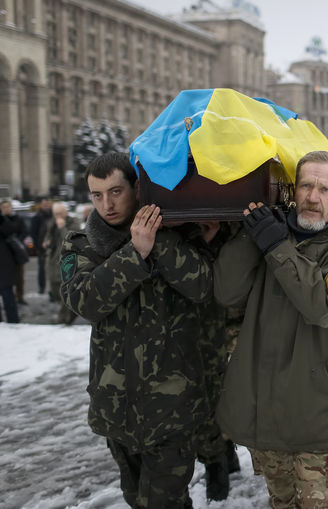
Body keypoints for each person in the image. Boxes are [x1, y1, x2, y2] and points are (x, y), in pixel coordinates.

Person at [60, 152, 221, 508]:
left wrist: (158, 239)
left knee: (164, 502)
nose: (107, 204)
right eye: (97, 195)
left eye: (116, 191)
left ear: (137, 187)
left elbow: (203, 287)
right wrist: (135, 252)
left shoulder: (177, 236)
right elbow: (85, 302)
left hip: (173, 406)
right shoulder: (81, 245)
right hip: (115, 406)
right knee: (135, 498)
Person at [213, 151, 328, 508]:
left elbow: (321, 305)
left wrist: (275, 245)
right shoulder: (272, 233)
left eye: (325, 190)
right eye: (306, 186)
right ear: (292, 190)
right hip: (266, 413)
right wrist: (250, 234)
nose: (313, 197)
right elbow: (226, 292)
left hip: (319, 419)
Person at [43, 202, 81, 324]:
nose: (57, 216)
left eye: (60, 213)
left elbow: (70, 239)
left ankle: (64, 318)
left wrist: (62, 227)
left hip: (67, 260)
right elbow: (48, 236)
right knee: (55, 290)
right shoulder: (51, 223)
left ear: (65, 212)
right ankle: (71, 312)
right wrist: (46, 242)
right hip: (53, 259)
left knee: (65, 289)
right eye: (55, 214)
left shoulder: (74, 222)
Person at [0, 200, 25, 323]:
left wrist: (3, 218)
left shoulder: (7, 220)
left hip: (5, 262)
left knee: (7, 293)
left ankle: (13, 321)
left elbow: (13, 231)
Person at [30, 197, 52, 295]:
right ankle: (41, 288)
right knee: (42, 269)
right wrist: (37, 247)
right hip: (41, 247)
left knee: (54, 267)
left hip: (53, 245)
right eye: (44, 204)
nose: (46, 206)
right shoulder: (36, 217)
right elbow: (33, 233)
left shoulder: (53, 215)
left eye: (48, 204)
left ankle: (53, 289)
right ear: (41, 205)